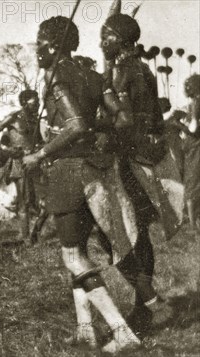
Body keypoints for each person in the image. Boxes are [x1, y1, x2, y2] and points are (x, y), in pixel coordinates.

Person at [23, 16, 141, 353]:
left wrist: (40, 154)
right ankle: (86, 329)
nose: (37, 51)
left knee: (74, 257)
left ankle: (121, 331)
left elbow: (75, 124)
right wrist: (97, 134)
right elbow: (123, 118)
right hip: (96, 168)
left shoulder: (57, 75)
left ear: (54, 45)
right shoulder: (93, 74)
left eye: (40, 43)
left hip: (69, 171)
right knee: (78, 251)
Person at [101, 12, 177, 331]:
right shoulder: (143, 67)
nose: (102, 42)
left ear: (119, 39)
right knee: (139, 234)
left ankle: (147, 304)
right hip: (146, 157)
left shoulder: (121, 69)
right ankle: (142, 307)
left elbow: (124, 119)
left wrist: (98, 125)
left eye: (106, 36)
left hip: (127, 157)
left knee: (120, 235)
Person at [0, 90, 42, 243]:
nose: (38, 104)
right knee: (25, 201)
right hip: (19, 163)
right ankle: (26, 237)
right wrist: (3, 148)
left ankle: (36, 232)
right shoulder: (14, 117)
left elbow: (39, 141)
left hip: (35, 161)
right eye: (34, 101)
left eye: (38, 101)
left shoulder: (35, 120)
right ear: (24, 102)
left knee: (40, 200)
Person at [181, 74, 200, 231]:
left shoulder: (196, 102)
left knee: (192, 183)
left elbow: (193, 128)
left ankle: (193, 225)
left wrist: (178, 125)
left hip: (195, 146)